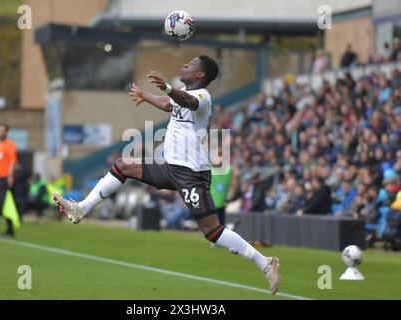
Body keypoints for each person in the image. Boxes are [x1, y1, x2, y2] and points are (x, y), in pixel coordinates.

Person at [53, 55, 280, 295]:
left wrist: (168, 88)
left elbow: (187, 101)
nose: (185, 65)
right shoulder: (182, 93)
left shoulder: (203, 97)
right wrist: (146, 96)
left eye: (191, 64)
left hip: (192, 174)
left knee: (213, 233)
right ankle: (82, 208)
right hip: (171, 167)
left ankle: (265, 263)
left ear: (200, 75)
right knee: (122, 165)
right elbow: (168, 104)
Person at [0, 123, 18, 237]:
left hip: (6, 178)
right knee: (2, 204)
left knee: (7, 204)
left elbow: (12, 161)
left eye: (2, 131)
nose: (0, 133)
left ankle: (10, 230)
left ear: (6, 132)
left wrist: (10, 176)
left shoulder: (10, 145)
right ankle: (8, 229)